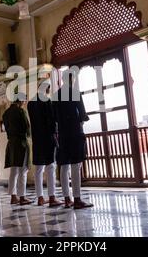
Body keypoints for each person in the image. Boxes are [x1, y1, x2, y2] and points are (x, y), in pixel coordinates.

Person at [53, 71, 94, 209]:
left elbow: (55, 118)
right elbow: (82, 114)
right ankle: (77, 199)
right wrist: (79, 125)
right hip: (75, 132)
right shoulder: (74, 92)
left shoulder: (56, 95)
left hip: (63, 135)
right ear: (71, 79)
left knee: (64, 167)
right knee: (76, 166)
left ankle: (66, 199)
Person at [27, 82, 63, 207]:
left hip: (37, 139)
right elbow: (52, 120)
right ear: (47, 90)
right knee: (51, 167)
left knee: (38, 169)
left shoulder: (30, 103)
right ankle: (52, 197)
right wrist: (55, 134)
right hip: (48, 138)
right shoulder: (47, 101)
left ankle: (40, 198)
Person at [3, 95, 32, 206]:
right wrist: (29, 135)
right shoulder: (20, 111)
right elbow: (27, 126)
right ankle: (22, 197)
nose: (24, 103)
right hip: (21, 143)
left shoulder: (6, 113)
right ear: (21, 101)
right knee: (23, 171)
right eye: (24, 101)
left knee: (13, 171)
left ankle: (13, 196)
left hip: (11, 144)